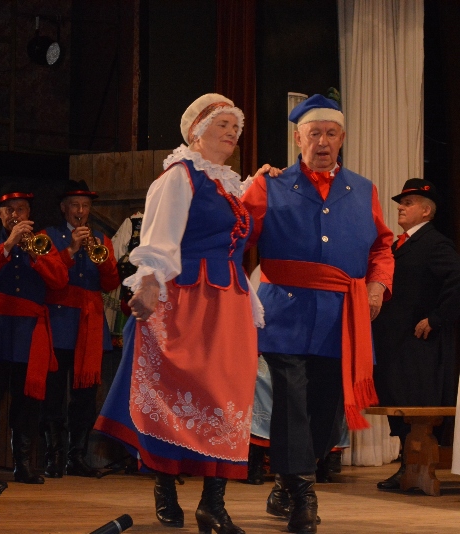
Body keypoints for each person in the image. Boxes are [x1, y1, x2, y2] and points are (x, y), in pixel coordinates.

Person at [95, 93, 260, 533]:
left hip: (229, 302)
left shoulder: (229, 185)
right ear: (196, 131)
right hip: (189, 300)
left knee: (227, 399)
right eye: (222, 124)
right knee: (176, 392)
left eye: (235, 127)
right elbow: (159, 236)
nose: (231, 133)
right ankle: (164, 486)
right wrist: (149, 283)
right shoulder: (179, 176)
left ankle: (212, 504)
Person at [242, 94, 394, 533]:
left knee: (327, 411)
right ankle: (303, 494)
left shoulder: (363, 189)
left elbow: (382, 246)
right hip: (284, 313)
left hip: (340, 317)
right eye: (314, 134)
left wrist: (377, 285)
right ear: (298, 139)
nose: (322, 141)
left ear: (342, 139)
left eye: (330, 133)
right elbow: (238, 233)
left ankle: (287, 482)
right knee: (291, 401)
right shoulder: (269, 185)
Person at [0, 183, 68, 484]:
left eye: (21, 210)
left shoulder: (43, 244)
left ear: (29, 214)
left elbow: (60, 280)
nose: (15, 215)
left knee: (27, 404)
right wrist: (8, 244)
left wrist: (36, 256)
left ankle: (22, 464)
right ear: (0, 215)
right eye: (9, 210)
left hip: (27, 334)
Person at [372, 178, 460, 490]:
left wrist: (436, 318)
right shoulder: (398, 245)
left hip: (418, 346)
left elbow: (457, 281)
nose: (401, 207)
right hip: (395, 344)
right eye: (401, 203)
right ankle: (407, 466)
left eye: (408, 203)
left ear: (426, 211)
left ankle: (414, 467)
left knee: (414, 403)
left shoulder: (435, 244)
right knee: (396, 401)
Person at [41, 180, 120, 478]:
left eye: (85, 206)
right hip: (59, 322)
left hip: (90, 324)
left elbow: (111, 283)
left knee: (85, 397)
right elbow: (50, 277)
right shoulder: (48, 236)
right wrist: (72, 249)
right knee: (53, 393)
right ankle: (53, 456)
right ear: (64, 208)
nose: (80, 211)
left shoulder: (101, 239)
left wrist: (102, 258)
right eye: (75, 205)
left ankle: (76, 456)